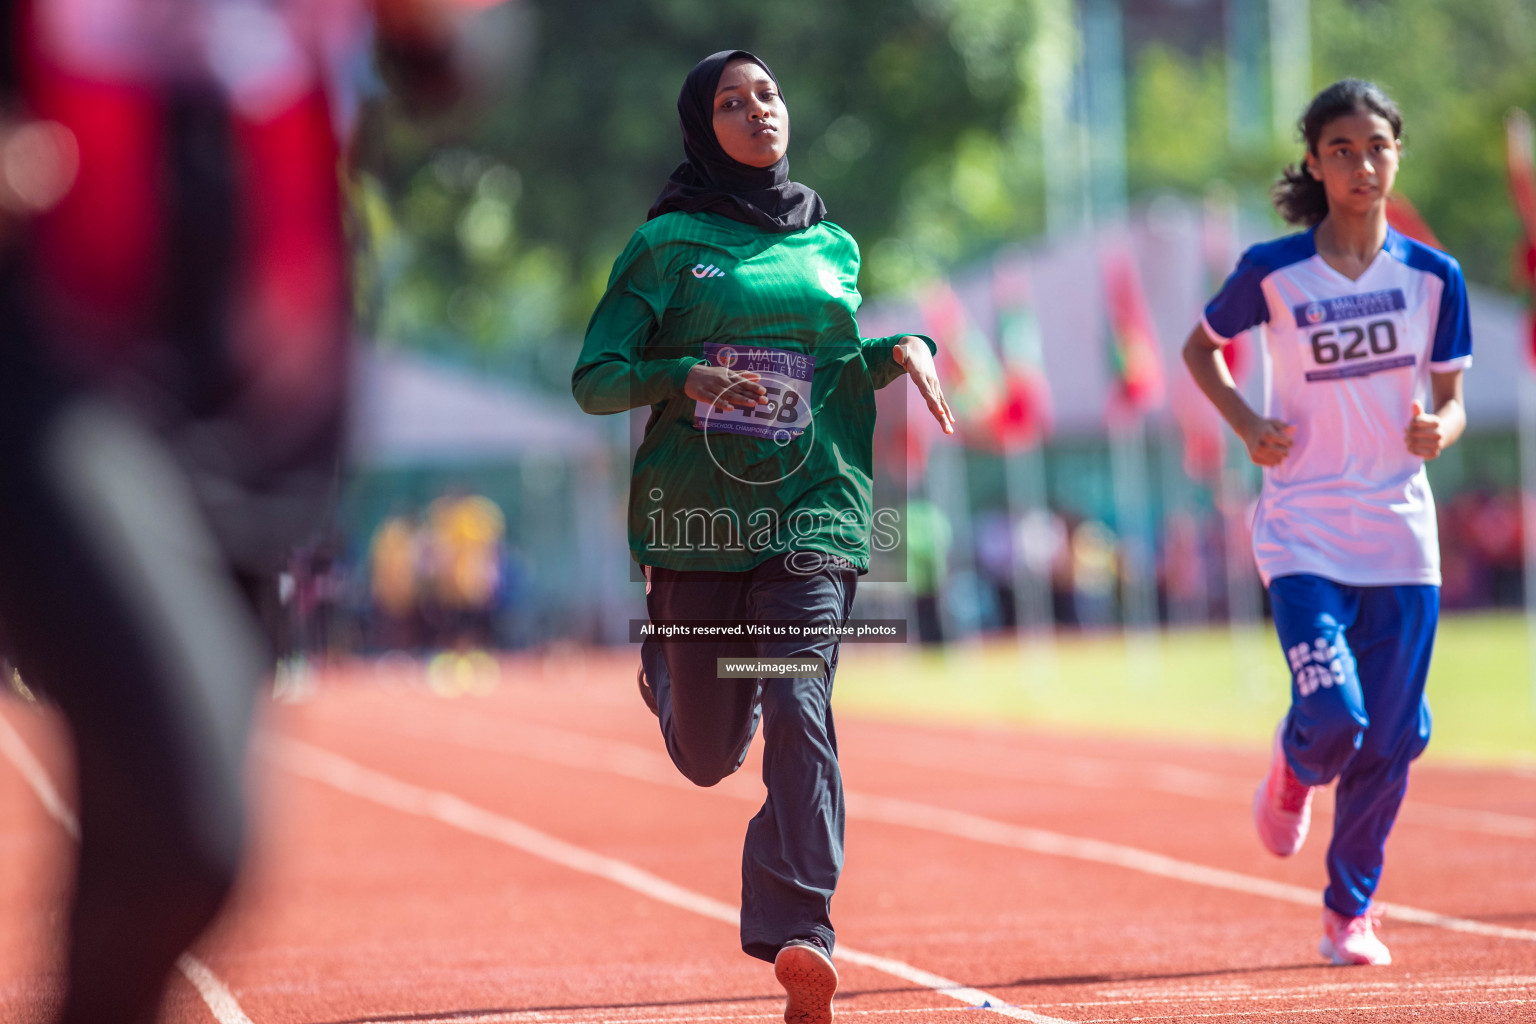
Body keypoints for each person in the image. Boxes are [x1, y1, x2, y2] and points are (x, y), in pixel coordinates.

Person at [0, 0, 476, 1020]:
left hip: (262, 408)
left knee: (137, 848)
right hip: (56, 372)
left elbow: (459, 63)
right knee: (192, 833)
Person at [572, 49, 952, 1024]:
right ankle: (670, 668)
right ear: (705, 127)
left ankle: (802, 934)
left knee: (798, 693)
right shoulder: (665, 246)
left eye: (768, 94)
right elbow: (596, 378)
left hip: (813, 509)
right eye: (733, 102)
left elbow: (831, 372)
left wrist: (899, 351)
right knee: (704, 753)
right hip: (697, 526)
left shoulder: (833, 244)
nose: (758, 111)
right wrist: (684, 373)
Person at [1183, 79, 1470, 967]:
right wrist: (1247, 424)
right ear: (1314, 162)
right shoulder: (1273, 270)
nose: (1361, 163)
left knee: (1392, 737)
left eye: (1376, 145)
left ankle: (1351, 913)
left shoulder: (1434, 276)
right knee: (1336, 719)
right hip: (1303, 527)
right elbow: (1201, 350)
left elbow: (1453, 399)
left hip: (1400, 536)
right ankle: (1293, 764)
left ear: (1397, 154)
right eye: (1340, 149)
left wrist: (1441, 428)